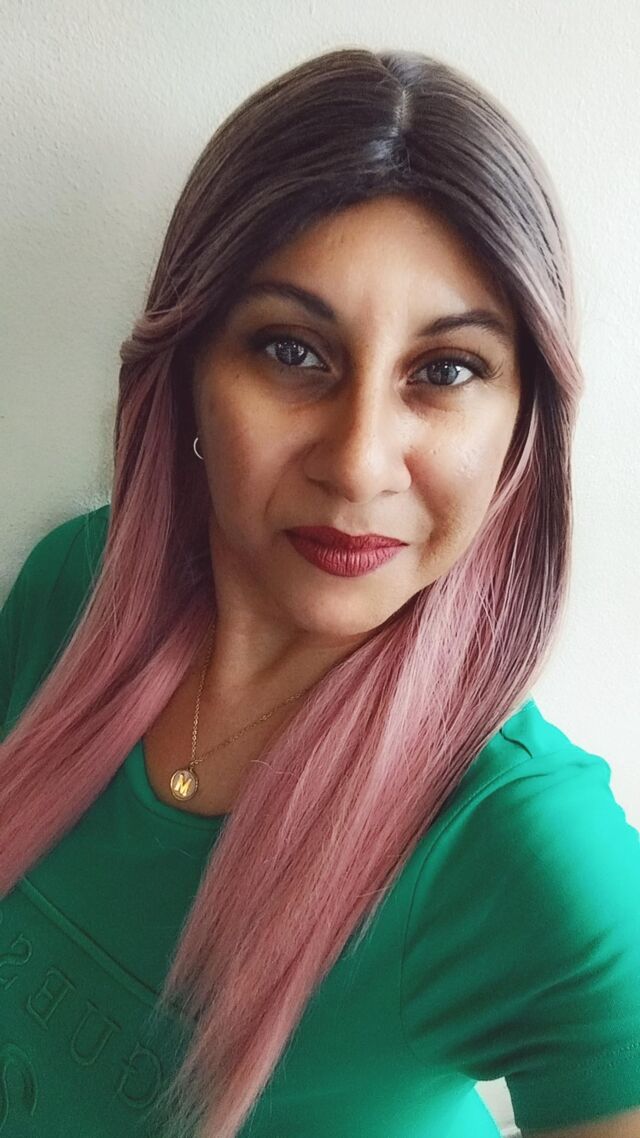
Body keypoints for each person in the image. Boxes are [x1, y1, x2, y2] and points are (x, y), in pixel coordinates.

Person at [1, 46, 639, 1138]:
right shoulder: (73, 588)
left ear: (522, 429)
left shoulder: (524, 845)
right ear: (188, 373)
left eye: (445, 370)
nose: (356, 463)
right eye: (292, 351)